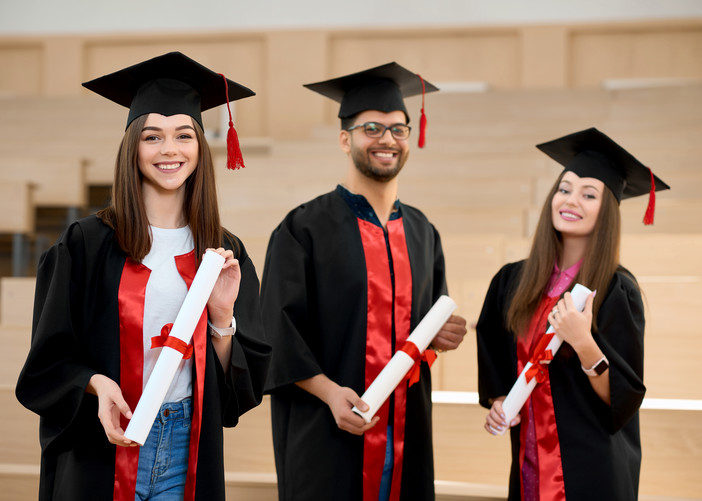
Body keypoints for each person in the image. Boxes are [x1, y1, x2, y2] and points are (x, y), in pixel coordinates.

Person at [15, 52, 271, 501]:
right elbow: (47, 362)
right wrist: (97, 384)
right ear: (132, 146)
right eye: (153, 136)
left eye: (183, 135)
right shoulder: (85, 244)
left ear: (200, 149)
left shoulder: (223, 252)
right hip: (102, 447)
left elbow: (241, 392)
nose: (169, 149)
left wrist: (222, 319)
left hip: (187, 446)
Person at [260, 62, 468, 501]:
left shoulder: (422, 232)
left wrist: (442, 337)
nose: (387, 139)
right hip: (326, 432)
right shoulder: (303, 229)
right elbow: (278, 334)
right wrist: (331, 393)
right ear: (345, 138)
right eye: (371, 127)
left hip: (404, 430)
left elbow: (425, 332)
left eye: (398, 129)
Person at [476, 127, 670, 500]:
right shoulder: (511, 281)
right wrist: (500, 403)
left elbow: (622, 399)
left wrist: (583, 341)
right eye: (564, 189)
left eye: (589, 194)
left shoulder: (616, 290)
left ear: (607, 210)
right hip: (529, 463)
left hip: (590, 473)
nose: (571, 200)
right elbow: (496, 359)